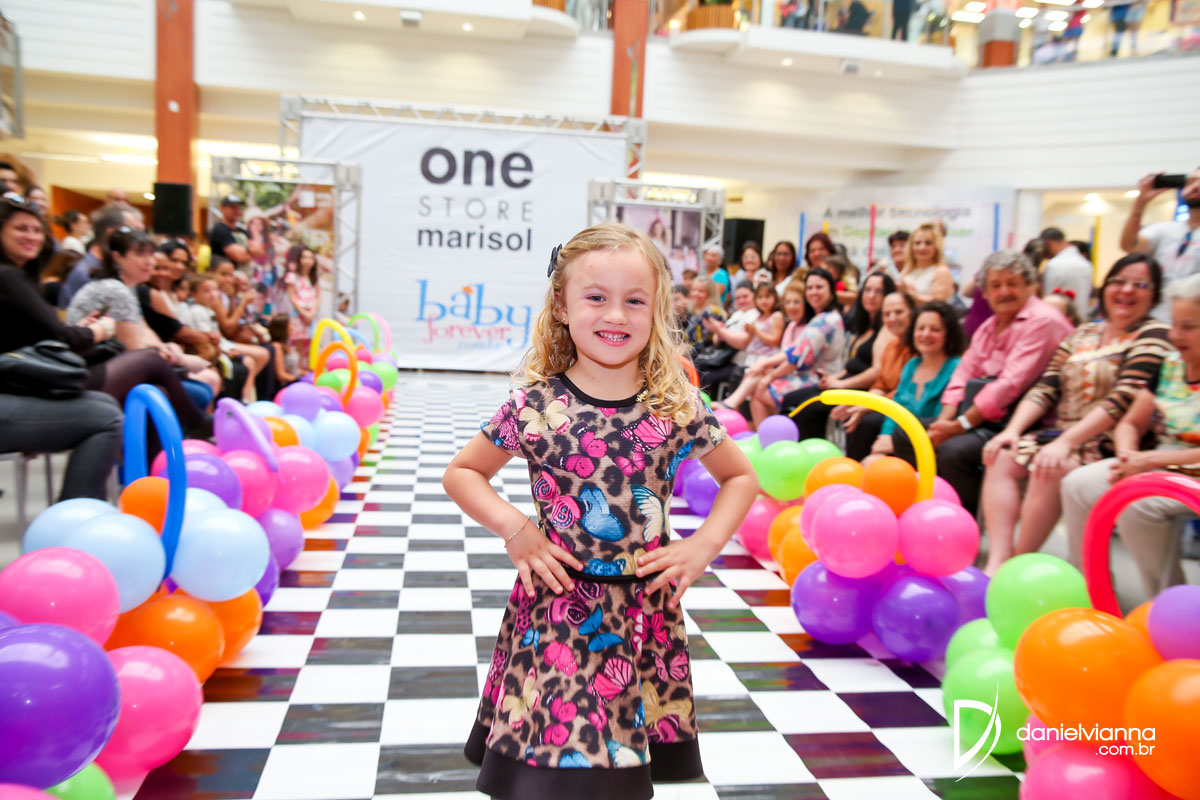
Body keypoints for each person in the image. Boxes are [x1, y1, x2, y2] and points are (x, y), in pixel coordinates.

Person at [444, 222, 756, 798]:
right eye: (596, 297)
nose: (616, 315)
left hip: (643, 612)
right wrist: (516, 529)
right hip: (559, 607)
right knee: (561, 761)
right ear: (562, 307)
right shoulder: (535, 404)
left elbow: (740, 477)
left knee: (617, 768)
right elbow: (463, 472)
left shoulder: (676, 404)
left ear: (657, 309)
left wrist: (703, 546)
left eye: (635, 300)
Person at [980, 254, 1170, 574]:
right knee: (999, 455)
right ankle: (997, 560)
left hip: (1110, 444)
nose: (1126, 290)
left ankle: (1016, 565)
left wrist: (1066, 443)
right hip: (1061, 437)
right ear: (1104, 288)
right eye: (1118, 282)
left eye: (1139, 285)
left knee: (1049, 467)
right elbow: (1047, 386)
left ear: (1154, 295)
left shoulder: (1155, 334)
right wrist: (1012, 430)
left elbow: (1123, 399)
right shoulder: (1082, 334)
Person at [890, 250, 1074, 516]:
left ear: (1031, 286)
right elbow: (962, 376)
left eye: (1012, 283)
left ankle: (958, 519)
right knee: (908, 432)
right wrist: (944, 422)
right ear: (985, 293)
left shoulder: (1043, 320)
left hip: (1023, 423)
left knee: (954, 451)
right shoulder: (989, 327)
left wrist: (958, 426)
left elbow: (1009, 385)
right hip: (981, 420)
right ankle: (921, 508)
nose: (1004, 292)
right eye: (995, 285)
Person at [1060, 273, 1200, 601]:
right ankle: (1091, 591)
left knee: (1138, 503)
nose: (1175, 335)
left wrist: (1148, 461)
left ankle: (1165, 602)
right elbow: (1131, 422)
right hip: (1163, 464)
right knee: (1077, 485)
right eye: (1174, 324)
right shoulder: (1170, 364)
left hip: (1183, 467)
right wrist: (1127, 456)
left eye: (1189, 327)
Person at [0, 194, 123, 500]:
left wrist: (82, 330)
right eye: (21, 228)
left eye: (37, 230)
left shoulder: (17, 277)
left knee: (107, 405)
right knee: (107, 417)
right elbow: (61, 338)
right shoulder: (7, 276)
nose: (32, 236)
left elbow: (45, 336)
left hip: (16, 386)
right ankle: (75, 515)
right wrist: (97, 331)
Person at [66, 228, 222, 413]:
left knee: (203, 383)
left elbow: (143, 330)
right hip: (88, 374)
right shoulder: (115, 289)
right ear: (117, 257)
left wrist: (164, 347)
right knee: (200, 391)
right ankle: (198, 425)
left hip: (106, 366)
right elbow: (134, 350)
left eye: (150, 254)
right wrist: (180, 359)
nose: (150, 261)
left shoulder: (127, 288)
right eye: (140, 254)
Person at [784, 272, 896, 439]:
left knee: (808, 408)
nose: (871, 296)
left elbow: (877, 372)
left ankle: (814, 452)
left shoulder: (886, 329)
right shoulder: (864, 327)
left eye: (878, 291)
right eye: (867, 290)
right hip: (846, 381)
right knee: (791, 399)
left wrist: (841, 384)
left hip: (862, 388)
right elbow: (854, 365)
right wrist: (833, 378)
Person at [753, 268, 846, 427]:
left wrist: (771, 375)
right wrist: (765, 365)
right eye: (809, 288)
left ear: (831, 290)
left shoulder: (825, 320)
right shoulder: (820, 318)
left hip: (819, 380)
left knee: (759, 391)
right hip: (809, 376)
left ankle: (769, 438)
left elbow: (796, 358)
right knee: (759, 381)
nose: (813, 292)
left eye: (819, 287)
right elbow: (793, 350)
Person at [843, 290, 917, 460]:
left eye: (899, 312)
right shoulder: (892, 345)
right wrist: (863, 403)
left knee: (867, 422)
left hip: (908, 407)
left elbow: (906, 391)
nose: (892, 318)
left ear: (912, 312)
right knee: (851, 412)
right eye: (887, 314)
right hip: (887, 402)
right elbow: (881, 384)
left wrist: (870, 406)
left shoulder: (919, 347)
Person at [1121, 168, 1200, 321]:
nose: (1195, 186)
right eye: (1190, 182)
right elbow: (1130, 246)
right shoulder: (1165, 230)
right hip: (1155, 318)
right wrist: (1140, 203)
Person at [716, 281, 805, 413]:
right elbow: (747, 341)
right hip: (754, 359)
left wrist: (756, 332)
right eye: (760, 297)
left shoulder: (777, 316)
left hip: (768, 359)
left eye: (767, 297)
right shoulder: (757, 317)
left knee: (752, 377)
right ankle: (733, 407)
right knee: (743, 376)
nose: (764, 301)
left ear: (775, 298)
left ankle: (731, 404)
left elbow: (775, 341)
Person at [58, 204, 136, 309]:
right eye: (132, 231)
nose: (138, 239)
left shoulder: (107, 266)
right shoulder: (89, 274)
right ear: (112, 233)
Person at [697, 280, 768, 392]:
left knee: (707, 377)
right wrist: (718, 330)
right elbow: (716, 340)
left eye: (745, 296)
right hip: (724, 359)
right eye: (738, 298)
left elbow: (742, 343)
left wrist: (719, 329)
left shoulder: (756, 314)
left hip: (740, 363)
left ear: (754, 295)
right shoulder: (737, 314)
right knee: (698, 367)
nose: (741, 300)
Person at [1039, 227, 1093, 321]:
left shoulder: (1054, 264)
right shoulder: (1085, 264)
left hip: (1058, 321)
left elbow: (1048, 300)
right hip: (1080, 320)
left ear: (1049, 244)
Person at [899, 222, 954, 304]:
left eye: (928, 243)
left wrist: (910, 293)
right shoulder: (907, 270)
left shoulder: (941, 271)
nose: (922, 247)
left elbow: (938, 302)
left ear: (936, 247)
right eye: (917, 243)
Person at [285, 245, 320, 355]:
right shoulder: (292, 277)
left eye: (310, 258)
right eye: (304, 257)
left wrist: (311, 313)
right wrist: (303, 313)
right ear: (299, 259)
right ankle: (299, 364)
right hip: (298, 314)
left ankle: (310, 363)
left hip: (312, 315)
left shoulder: (315, 278)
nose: (307, 261)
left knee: (312, 344)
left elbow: (318, 298)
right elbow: (292, 297)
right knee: (298, 343)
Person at [209, 193, 254, 268]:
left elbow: (260, 249)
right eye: (233, 208)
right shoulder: (219, 230)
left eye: (239, 208)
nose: (237, 211)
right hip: (229, 273)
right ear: (222, 208)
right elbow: (239, 256)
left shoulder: (242, 230)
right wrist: (252, 253)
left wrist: (248, 252)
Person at [268, 314, 302, 386]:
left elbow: (294, 370)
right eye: (290, 325)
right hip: (286, 386)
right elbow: (281, 375)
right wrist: (299, 381)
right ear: (283, 329)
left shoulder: (288, 345)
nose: (293, 328)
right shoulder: (277, 346)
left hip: (294, 382)